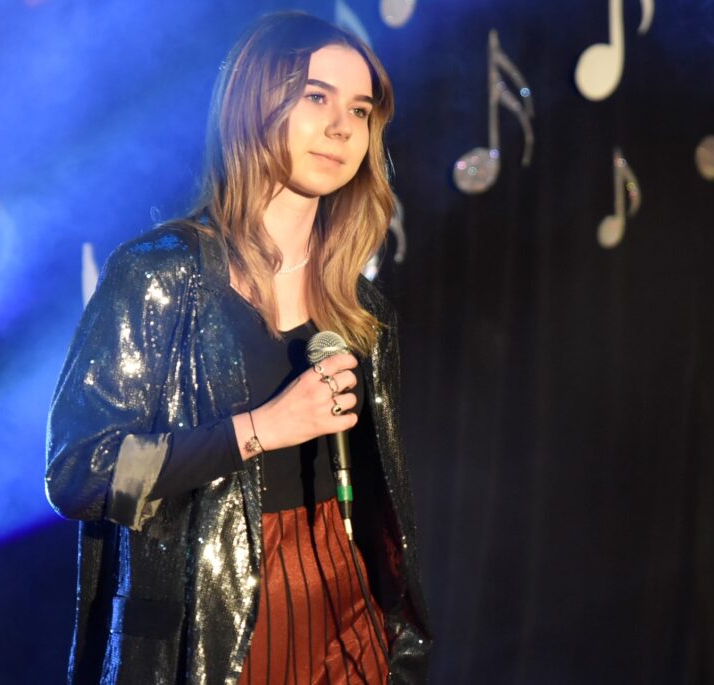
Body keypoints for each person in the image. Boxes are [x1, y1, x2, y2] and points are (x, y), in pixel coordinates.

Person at [46, 11, 431, 684]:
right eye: (316, 97)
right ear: (255, 104)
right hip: (216, 618)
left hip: (348, 604)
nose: (342, 127)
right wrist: (260, 429)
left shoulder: (363, 310)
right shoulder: (159, 276)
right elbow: (81, 475)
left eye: (360, 109)